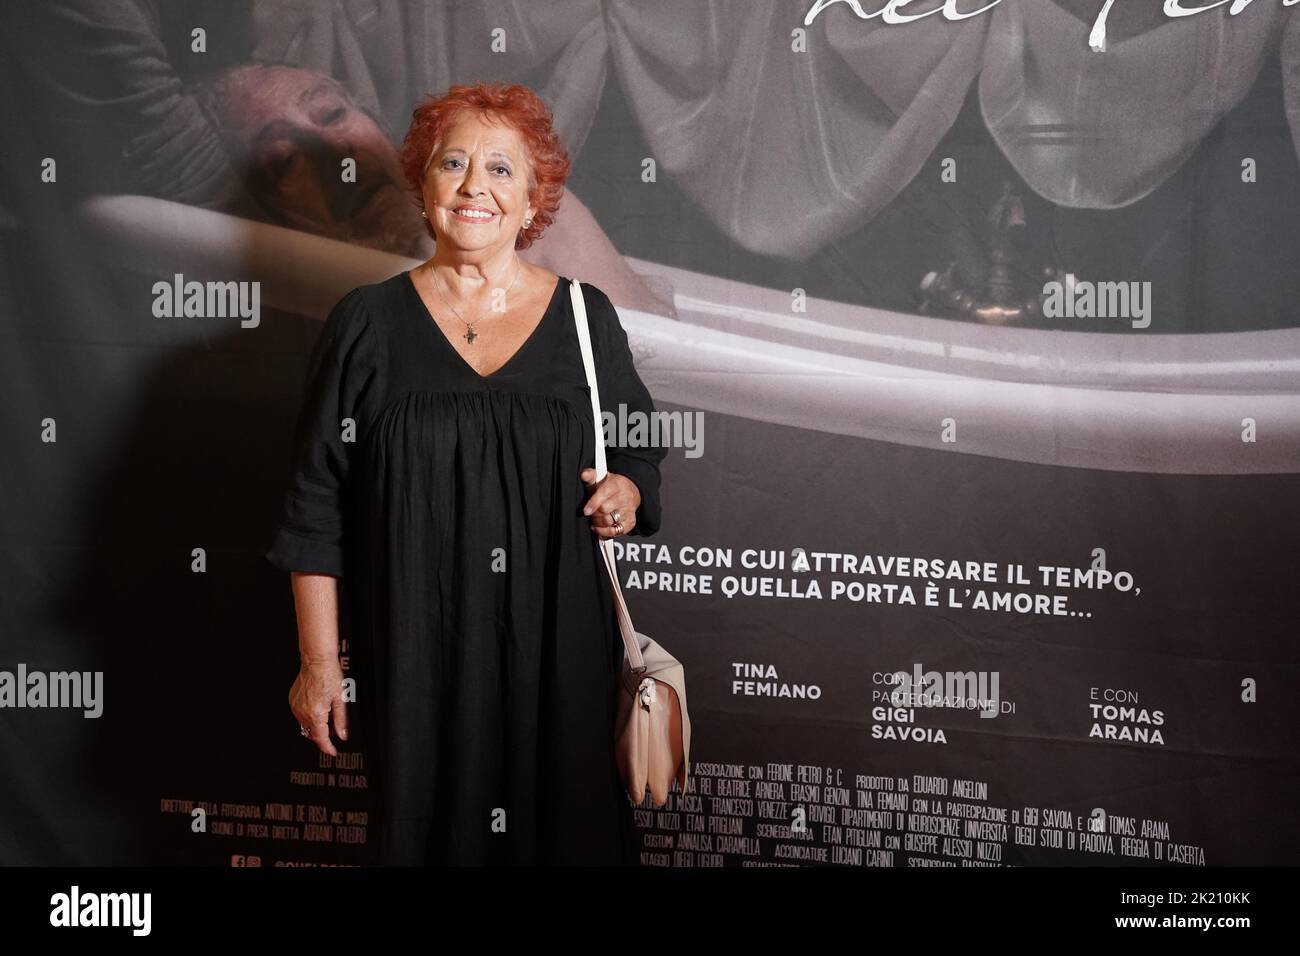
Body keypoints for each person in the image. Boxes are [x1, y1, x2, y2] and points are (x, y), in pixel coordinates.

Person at [266, 81, 667, 866]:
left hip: (561, 652)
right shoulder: (366, 322)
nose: (475, 186)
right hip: (415, 655)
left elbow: (638, 453)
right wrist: (318, 666)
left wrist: (629, 492)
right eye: (454, 164)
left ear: (532, 203)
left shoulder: (587, 318)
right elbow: (315, 507)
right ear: (423, 183)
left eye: (501, 170)